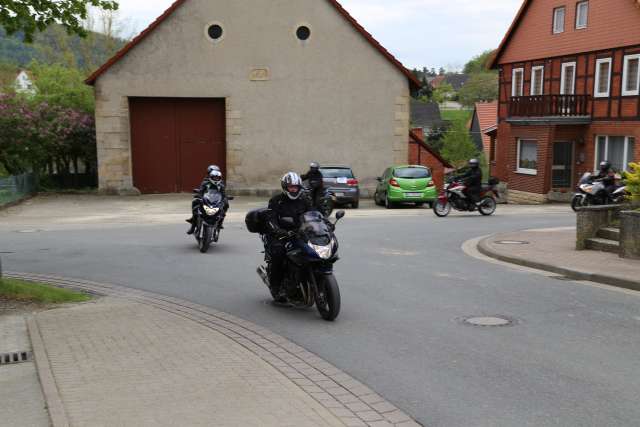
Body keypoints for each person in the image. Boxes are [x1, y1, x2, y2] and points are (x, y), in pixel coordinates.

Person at [264, 172, 316, 301]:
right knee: (279, 254)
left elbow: (314, 214)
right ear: (285, 187)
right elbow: (270, 219)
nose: (293, 189)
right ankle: (276, 286)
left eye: (296, 187)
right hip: (280, 235)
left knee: (314, 252)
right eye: (291, 187)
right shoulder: (276, 200)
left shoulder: (304, 200)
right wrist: (278, 230)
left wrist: (325, 225)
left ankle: (307, 279)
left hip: (300, 233)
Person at [186, 165, 229, 235]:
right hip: (206, 199)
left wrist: (225, 198)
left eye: (217, 177)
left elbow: (223, 193)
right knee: (195, 202)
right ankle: (193, 225)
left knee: (226, 204)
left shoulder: (221, 183)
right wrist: (199, 196)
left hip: (216, 200)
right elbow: (201, 190)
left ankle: (220, 221)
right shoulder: (205, 182)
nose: (216, 178)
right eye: (214, 176)